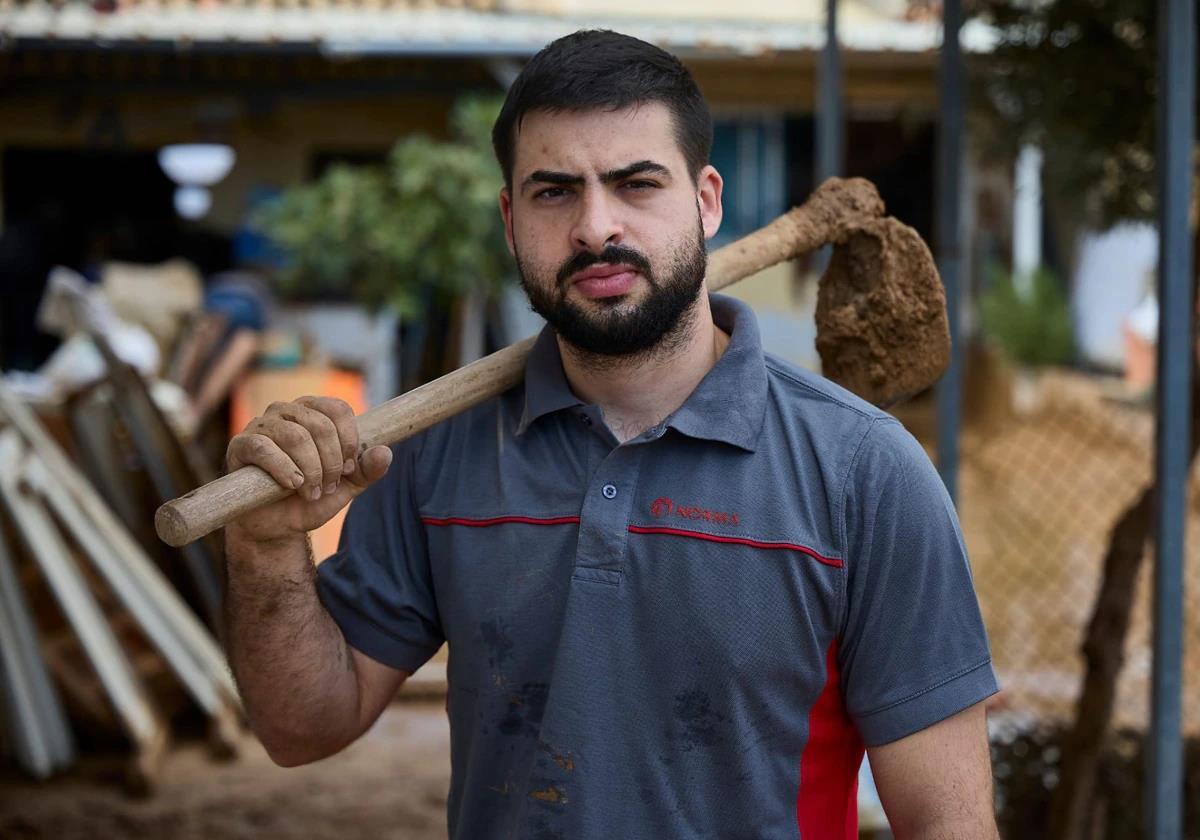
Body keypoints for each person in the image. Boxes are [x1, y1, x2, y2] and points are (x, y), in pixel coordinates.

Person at [224, 30, 1000, 839]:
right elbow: (303, 727)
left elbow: (948, 822)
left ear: (706, 201)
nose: (596, 228)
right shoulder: (434, 453)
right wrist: (265, 550)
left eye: (636, 184)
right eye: (554, 192)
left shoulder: (863, 473)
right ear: (510, 217)